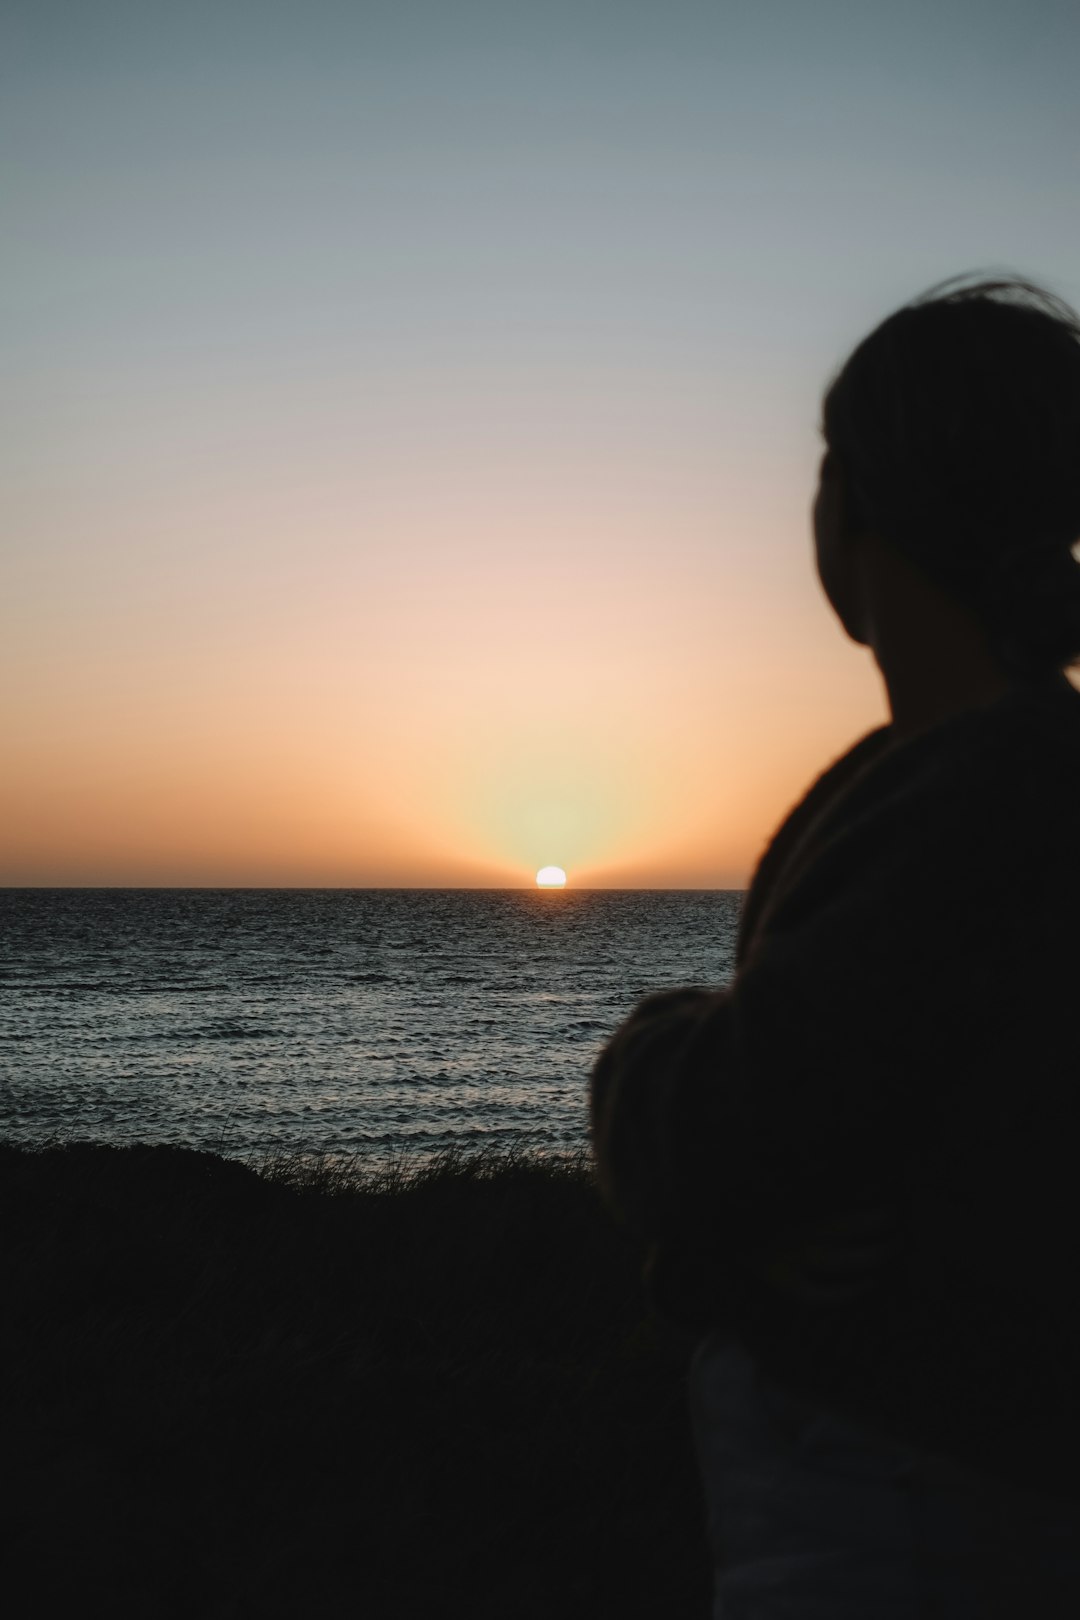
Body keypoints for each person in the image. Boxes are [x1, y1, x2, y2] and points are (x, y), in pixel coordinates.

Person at [590, 275, 1080, 1617]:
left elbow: (721, 1136)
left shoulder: (994, 790)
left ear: (857, 509)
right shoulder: (984, 770)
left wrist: (653, 1047)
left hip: (916, 1519)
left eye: (824, 469)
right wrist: (732, 1250)